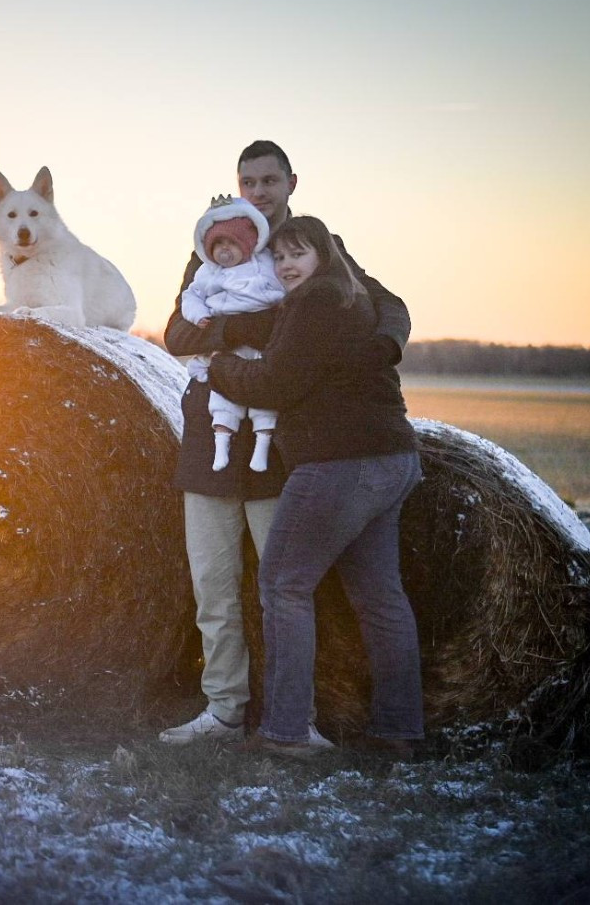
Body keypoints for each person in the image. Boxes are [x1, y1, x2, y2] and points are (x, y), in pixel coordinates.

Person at [158, 140, 411, 745]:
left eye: (270, 180)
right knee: (214, 591)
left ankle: (297, 716)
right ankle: (222, 711)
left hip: (282, 446)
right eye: (249, 182)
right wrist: (247, 327)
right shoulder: (214, 245)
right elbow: (175, 334)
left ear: (292, 183)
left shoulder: (312, 248)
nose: (260, 192)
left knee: (289, 590)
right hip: (211, 442)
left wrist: (382, 350)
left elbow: (388, 305)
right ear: (238, 186)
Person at [209, 215, 424, 759]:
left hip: (339, 462)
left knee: (283, 584)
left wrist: (221, 368)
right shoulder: (349, 297)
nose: (285, 266)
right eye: (279, 258)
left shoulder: (315, 301)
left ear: (323, 256)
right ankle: (398, 729)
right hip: (392, 458)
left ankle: (285, 732)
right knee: (380, 597)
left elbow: (277, 382)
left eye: (297, 255)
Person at [179, 195, 283, 474]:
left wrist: (275, 315)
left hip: (259, 352)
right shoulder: (207, 272)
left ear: (248, 245)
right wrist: (199, 315)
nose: (224, 250)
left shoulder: (267, 265)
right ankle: (221, 446)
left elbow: (282, 293)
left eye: (231, 243)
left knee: (264, 402)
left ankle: (262, 448)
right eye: (218, 244)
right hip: (225, 347)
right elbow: (189, 298)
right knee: (222, 399)